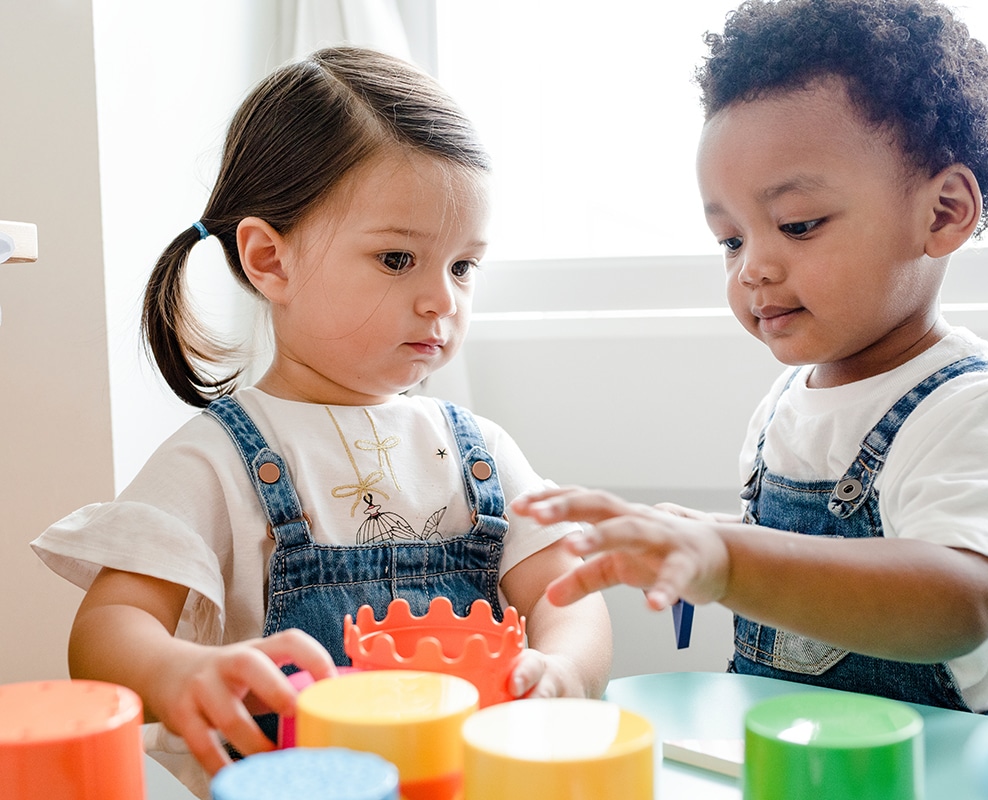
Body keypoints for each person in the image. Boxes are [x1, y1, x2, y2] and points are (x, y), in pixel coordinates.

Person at [31, 46, 611, 795]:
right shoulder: (218, 458)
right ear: (271, 260)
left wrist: (564, 670)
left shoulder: (479, 452)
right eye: (399, 259)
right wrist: (181, 672)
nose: (443, 300)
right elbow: (107, 631)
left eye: (464, 266)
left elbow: (568, 592)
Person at [514, 0, 988, 723]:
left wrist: (729, 558)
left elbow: (961, 600)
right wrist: (698, 540)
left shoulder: (975, 414)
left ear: (942, 213)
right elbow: (813, 556)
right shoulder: (785, 405)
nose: (753, 268)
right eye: (730, 239)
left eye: (798, 225)